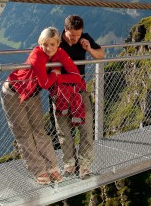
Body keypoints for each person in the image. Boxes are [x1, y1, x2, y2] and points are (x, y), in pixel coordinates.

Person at [1, 27, 85, 185]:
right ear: (40, 43)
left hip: (32, 94)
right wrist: (55, 73)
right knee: (24, 133)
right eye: (45, 44)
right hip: (13, 93)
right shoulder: (37, 55)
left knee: (39, 131)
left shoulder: (60, 53)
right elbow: (45, 83)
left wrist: (58, 77)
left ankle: (52, 167)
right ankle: (39, 170)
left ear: (58, 44)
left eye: (53, 44)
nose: (49, 48)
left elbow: (76, 77)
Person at [51, 14, 104, 179]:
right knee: (63, 131)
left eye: (78, 34)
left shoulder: (84, 38)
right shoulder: (56, 40)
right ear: (65, 30)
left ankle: (85, 166)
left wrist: (89, 49)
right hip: (60, 91)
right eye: (72, 35)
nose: (75, 38)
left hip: (79, 91)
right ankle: (69, 165)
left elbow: (100, 54)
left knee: (86, 128)